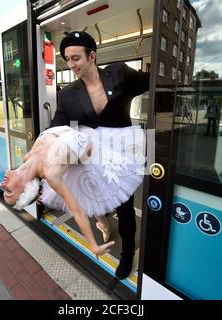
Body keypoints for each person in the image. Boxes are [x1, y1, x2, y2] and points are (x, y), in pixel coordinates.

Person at [51, 31, 150, 279]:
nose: (71, 65)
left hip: (122, 161)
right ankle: (103, 223)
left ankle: (127, 256)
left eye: (76, 58)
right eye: (67, 60)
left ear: (92, 56)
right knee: (94, 204)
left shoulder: (119, 74)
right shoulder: (67, 95)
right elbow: (56, 130)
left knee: (126, 212)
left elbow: (151, 81)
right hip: (91, 163)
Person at [0, 125, 145, 259]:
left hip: (88, 145)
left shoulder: (28, 157)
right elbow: (78, 212)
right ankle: (105, 226)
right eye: (8, 191)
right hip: (94, 160)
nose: (2, 185)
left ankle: (104, 225)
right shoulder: (51, 173)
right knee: (89, 198)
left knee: (89, 197)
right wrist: (93, 246)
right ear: (25, 189)